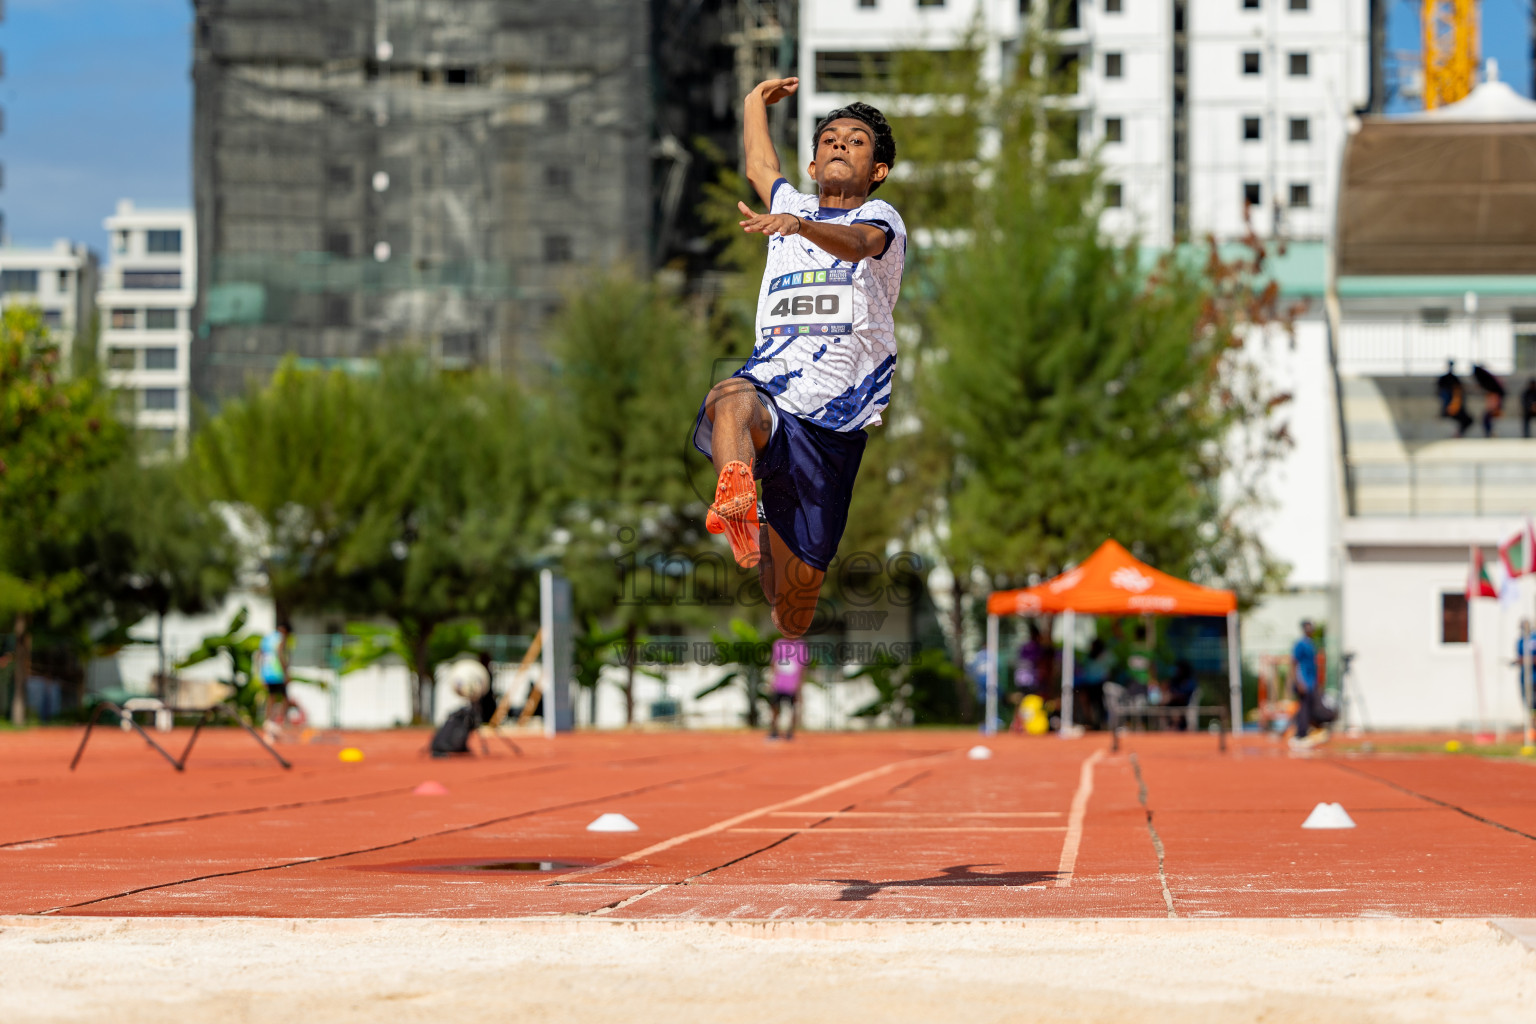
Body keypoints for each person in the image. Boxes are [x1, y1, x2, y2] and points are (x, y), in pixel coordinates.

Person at [692, 76, 907, 639]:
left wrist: (802, 225)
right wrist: (751, 103)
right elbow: (762, 168)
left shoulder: (881, 219)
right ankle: (737, 494)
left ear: (877, 170)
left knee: (790, 611)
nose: (839, 144)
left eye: (856, 141)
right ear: (812, 166)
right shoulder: (790, 206)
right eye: (830, 139)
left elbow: (858, 245)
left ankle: (764, 525)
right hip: (774, 396)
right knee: (729, 396)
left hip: (832, 427)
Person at [254, 621, 302, 738]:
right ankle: (281, 724)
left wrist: (260, 672)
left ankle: (268, 722)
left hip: (267, 672)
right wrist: (285, 672)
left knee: (271, 698)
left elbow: (259, 655)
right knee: (285, 698)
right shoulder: (281, 638)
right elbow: (280, 654)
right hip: (277, 672)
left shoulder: (267, 638)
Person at [1289, 619, 1326, 747]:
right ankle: (1300, 734)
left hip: (1312, 682)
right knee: (1304, 708)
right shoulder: (1300, 644)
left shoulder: (1312, 644)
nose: (1310, 630)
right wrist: (1299, 682)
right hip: (1304, 682)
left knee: (1310, 708)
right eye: (1307, 628)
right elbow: (1294, 663)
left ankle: (1305, 731)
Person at [768, 637, 806, 740]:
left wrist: (799, 684)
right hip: (779, 684)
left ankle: (790, 732)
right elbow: (774, 663)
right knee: (775, 707)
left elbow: (802, 667)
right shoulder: (778, 643)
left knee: (792, 708)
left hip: (792, 685)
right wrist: (772, 680)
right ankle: (774, 730)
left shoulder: (801, 646)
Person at [1437, 361, 1473, 437]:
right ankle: (1458, 433)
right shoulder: (1447, 379)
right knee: (1467, 420)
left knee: (1468, 420)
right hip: (1451, 408)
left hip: (1455, 407)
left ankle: (1458, 433)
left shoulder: (1453, 379)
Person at [1473, 364, 1505, 438]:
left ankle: (1490, 433)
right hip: (1494, 399)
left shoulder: (1494, 392)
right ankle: (1490, 433)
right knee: (1486, 418)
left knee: (1487, 418)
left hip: (1495, 399)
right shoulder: (1492, 387)